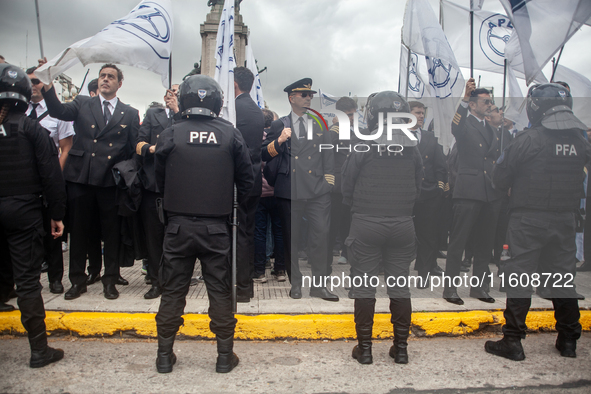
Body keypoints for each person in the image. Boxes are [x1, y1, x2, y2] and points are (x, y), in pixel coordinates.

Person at [154, 75, 254, 374]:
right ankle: (224, 357)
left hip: (178, 226)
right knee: (220, 292)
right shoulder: (229, 133)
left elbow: (159, 180)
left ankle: (163, 356)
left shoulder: (170, 133)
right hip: (216, 228)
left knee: (172, 291)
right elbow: (248, 181)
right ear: (217, 101)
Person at [487, 83, 591, 360]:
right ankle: (569, 340)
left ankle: (513, 341)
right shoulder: (580, 140)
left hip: (528, 219)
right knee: (562, 279)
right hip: (566, 220)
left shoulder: (528, 139)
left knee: (519, 277)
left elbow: (500, 178)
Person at [41, 62, 140, 300]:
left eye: (110, 77)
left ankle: (110, 281)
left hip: (110, 181)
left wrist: (126, 176)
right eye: (102, 76)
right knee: (80, 232)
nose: (105, 79)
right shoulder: (83, 103)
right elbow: (57, 111)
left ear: (119, 83)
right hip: (81, 178)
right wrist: (47, 85)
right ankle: (77, 280)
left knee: (111, 233)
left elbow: (131, 150)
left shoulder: (129, 112)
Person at [341, 91, 423, 365]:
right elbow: (418, 184)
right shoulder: (412, 146)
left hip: (367, 222)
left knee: (364, 288)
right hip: (402, 224)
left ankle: (364, 349)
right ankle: (401, 349)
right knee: (400, 287)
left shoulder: (364, 144)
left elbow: (347, 184)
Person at [0, 63, 66, 367]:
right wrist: (56, 214)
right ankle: (39, 350)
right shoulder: (31, 129)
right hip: (23, 215)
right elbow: (52, 176)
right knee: (27, 283)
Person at [261, 78, 337, 301]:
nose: (308, 98)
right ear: (291, 98)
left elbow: (328, 153)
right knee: (291, 238)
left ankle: (319, 286)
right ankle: (296, 283)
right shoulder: (279, 124)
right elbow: (263, 154)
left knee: (321, 237)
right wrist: (280, 141)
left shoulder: (320, 123)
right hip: (290, 189)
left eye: (310, 95)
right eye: (304, 95)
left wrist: (329, 181)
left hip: (318, 190)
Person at [442, 78, 504, 305]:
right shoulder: (465, 124)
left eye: (490, 101)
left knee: (484, 244)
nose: (489, 104)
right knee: (458, 242)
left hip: (490, 192)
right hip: (468, 191)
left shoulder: (492, 128)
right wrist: (464, 99)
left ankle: (479, 288)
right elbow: (455, 126)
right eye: (485, 101)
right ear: (473, 104)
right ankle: (450, 289)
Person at [25, 66, 75, 295]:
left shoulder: (55, 114)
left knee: (53, 230)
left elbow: (66, 147)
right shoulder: (18, 111)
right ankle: (28, 280)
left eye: (37, 81)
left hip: (50, 179)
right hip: (24, 182)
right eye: (30, 82)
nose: (33, 86)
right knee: (27, 235)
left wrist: (56, 176)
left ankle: (55, 278)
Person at [136, 84, 180, 299]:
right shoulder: (154, 114)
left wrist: (178, 111)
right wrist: (151, 148)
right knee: (154, 238)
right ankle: (156, 280)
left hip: (178, 187)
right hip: (153, 186)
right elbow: (139, 143)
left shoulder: (185, 117)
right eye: (171, 92)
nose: (173, 96)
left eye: (178, 94)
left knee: (176, 238)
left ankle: (175, 280)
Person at [233, 67, 265, 301]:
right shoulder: (255, 110)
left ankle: (234, 285)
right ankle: (244, 287)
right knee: (247, 233)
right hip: (252, 179)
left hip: (234, 180)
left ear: (233, 84)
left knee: (233, 233)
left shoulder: (233, 109)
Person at [408, 101, 447, 286]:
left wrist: (439, 187)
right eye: (417, 112)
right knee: (404, 235)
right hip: (406, 194)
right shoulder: (399, 136)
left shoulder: (431, 137)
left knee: (427, 236)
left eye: (423, 113)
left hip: (429, 194)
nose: (421, 116)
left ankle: (423, 273)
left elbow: (440, 166)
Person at [253, 109, 286, 282]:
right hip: (277, 191)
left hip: (260, 192)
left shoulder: (255, 137)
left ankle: (259, 271)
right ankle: (280, 270)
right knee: (279, 231)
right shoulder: (279, 137)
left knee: (259, 232)